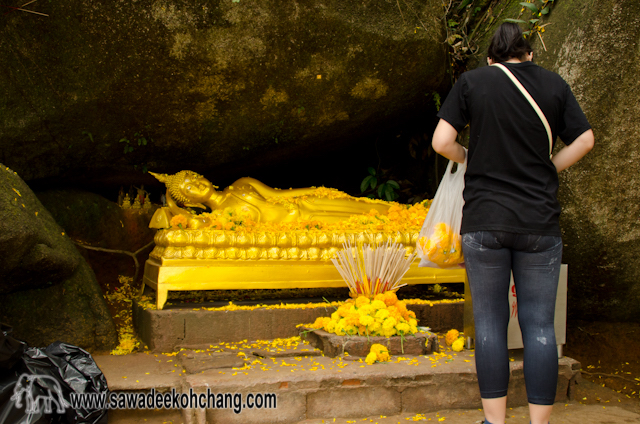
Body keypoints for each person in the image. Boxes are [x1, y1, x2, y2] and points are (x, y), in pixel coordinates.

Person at [431, 23, 594, 424]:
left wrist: (471, 157)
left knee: (490, 322)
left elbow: (440, 142)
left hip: (485, 220)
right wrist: (549, 167)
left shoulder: (473, 82)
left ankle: (496, 421)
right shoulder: (553, 85)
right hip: (539, 222)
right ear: (529, 55)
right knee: (539, 324)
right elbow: (585, 139)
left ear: (491, 59)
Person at [148, 170, 391, 229]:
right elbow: (195, 225)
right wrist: (173, 210)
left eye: (194, 177)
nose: (197, 183)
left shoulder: (241, 184)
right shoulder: (219, 220)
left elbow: (278, 195)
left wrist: (317, 191)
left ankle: (411, 215)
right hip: (299, 225)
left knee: (364, 207)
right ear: (190, 201)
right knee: (362, 224)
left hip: (303, 205)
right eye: (190, 188)